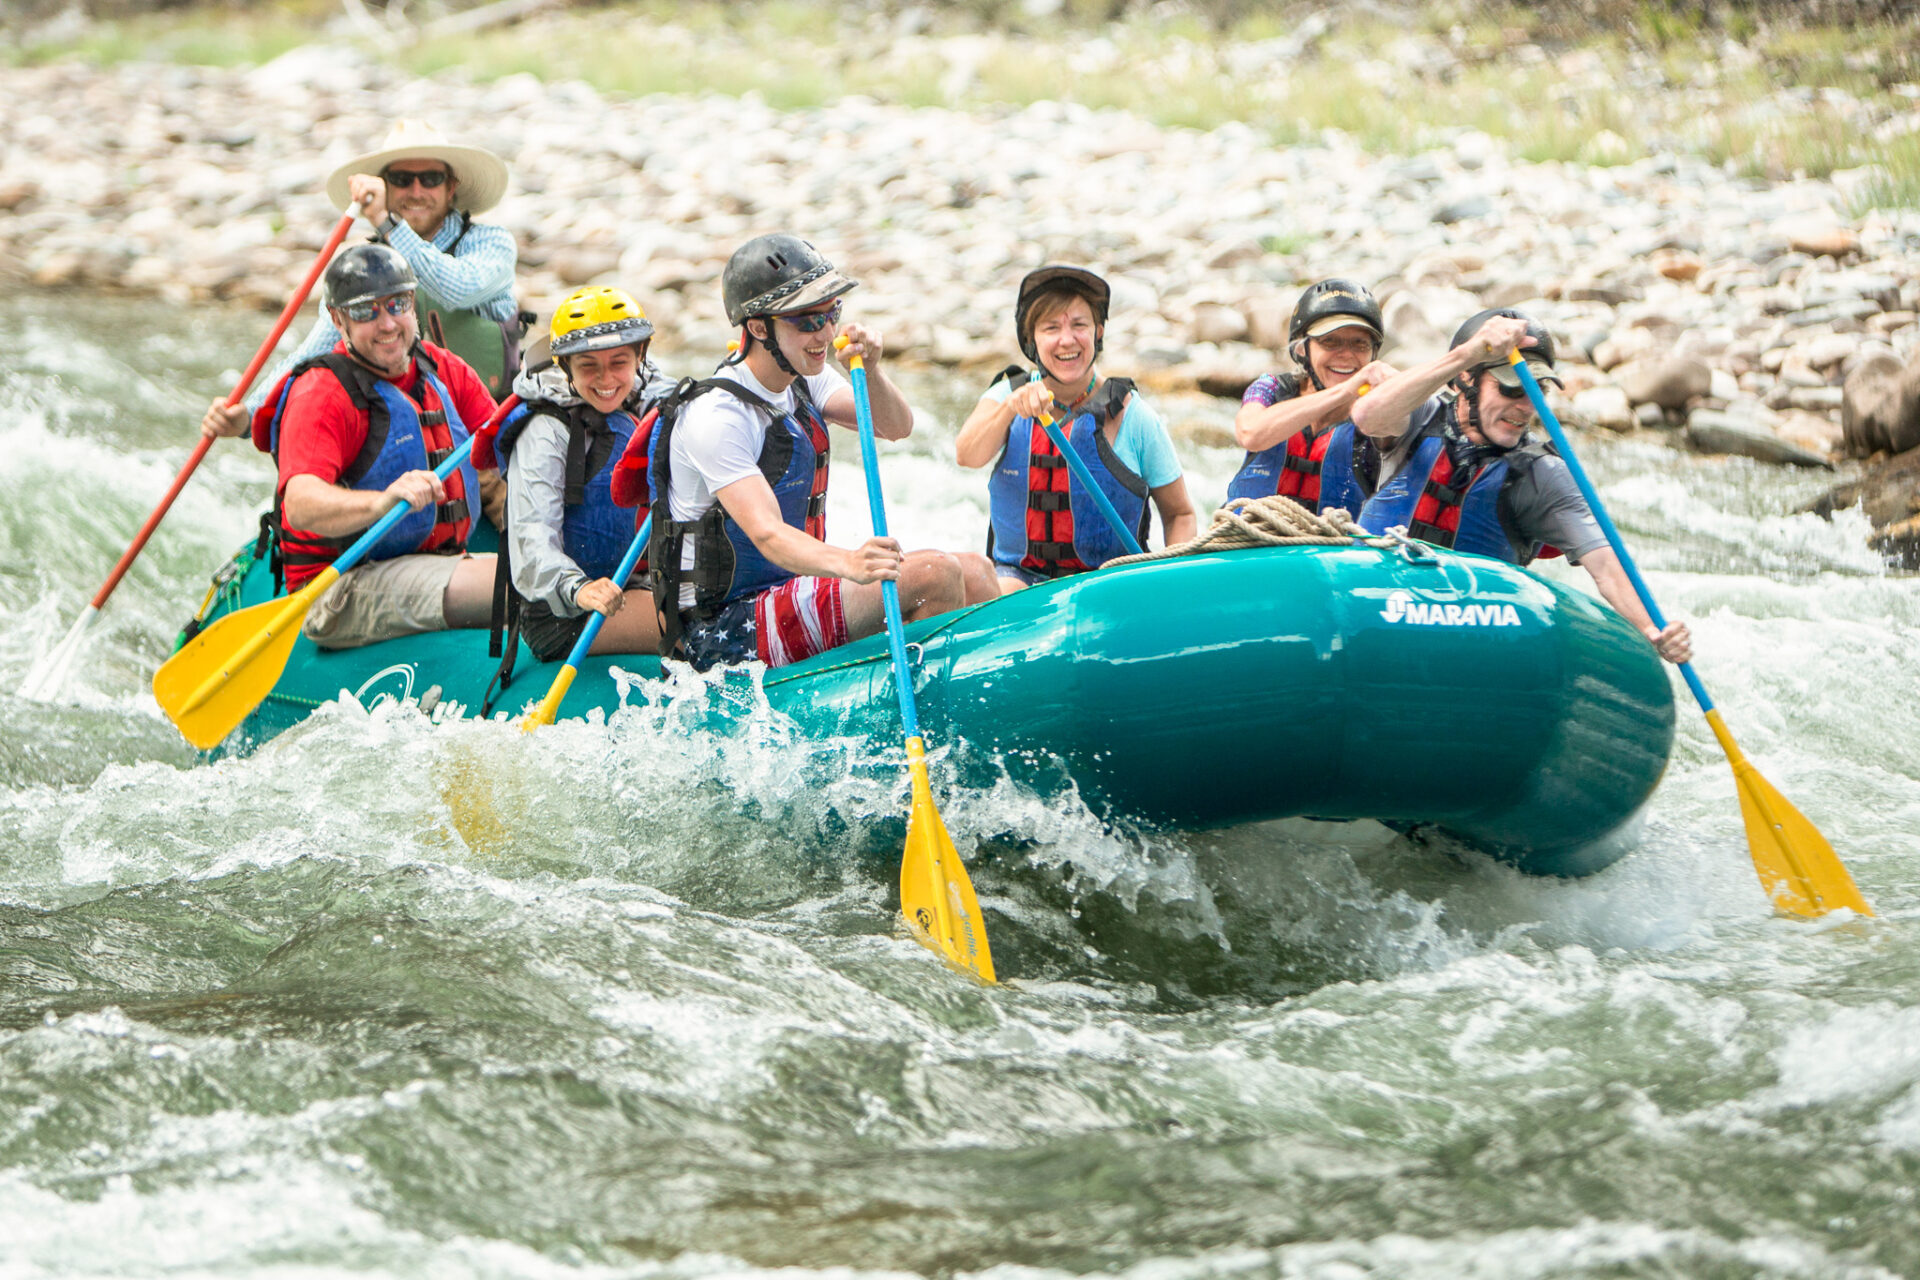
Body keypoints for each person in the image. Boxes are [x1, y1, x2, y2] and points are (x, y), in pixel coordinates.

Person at [647, 234, 999, 671]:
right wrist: (849, 563)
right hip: (723, 627)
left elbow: (894, 427)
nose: (827, 333)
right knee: (932, 575)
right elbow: (767, 534)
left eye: (831, 313)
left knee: (977, 572)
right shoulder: (718, 416)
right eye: (806, 320)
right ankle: (932, 711)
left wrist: (870, 370)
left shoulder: (803, 378)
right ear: (758, 327)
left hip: (787, 592)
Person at [203, 121, 523, 523]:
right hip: (393, 433)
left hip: (481, 440)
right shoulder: (366, 268)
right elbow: (315, 352)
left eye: (430, 178)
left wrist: (390, 226)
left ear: (451, 186)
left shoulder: (491, 243)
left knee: (518, 527)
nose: (417, 191)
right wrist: (250, 415)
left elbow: (454, 287)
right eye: (402, 180)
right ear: (386, 186)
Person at [1350, 308, 1692, 663]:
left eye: (1537, 389)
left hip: (1467, 634)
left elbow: (1606, 565)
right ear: (1466, 379)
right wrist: (1469, 352)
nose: (1526, 405)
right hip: (1371, 599)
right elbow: (1367, 415)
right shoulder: (1418, 418)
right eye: (1512, 386)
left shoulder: (1542, 474)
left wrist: (1652, 631)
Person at [245, 243, 497, 649]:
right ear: (338, 319)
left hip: (435, 562)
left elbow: (507, 449)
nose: (387, 324)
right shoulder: (322, 393)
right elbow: (302, 504)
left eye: (398, 304)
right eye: (366, 311)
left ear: (413, 304)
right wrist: (382, 502)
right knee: (512, 583)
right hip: (338, 586)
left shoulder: (443, 368)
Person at [954, 265, 1197, 591]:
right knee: (999, 587)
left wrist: (1172, 583)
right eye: (1051, 327)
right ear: (1032, 339)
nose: (1066, 340)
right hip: (1019, 581)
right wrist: (1010, 408)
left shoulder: (1134, 416)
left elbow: (1180, 514)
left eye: (1079, 325)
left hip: (1109, 582)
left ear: (1097, 332)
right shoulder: (1005, 395)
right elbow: (967, 455)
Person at [485, 285, 666, 664]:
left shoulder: (651, 396)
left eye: (619, 362)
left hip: (637, 586)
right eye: (588, 365)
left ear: (640, 358)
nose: (606, 378)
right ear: (564, 366)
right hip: (564, 611)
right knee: (691, 627)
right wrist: (579, 589)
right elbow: (532, 540)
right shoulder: (544, 430)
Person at [1227, 279, 1398, 516]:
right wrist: (1347, 390)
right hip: (1251, 540)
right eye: (1330, 341)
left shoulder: (1376, 411)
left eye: (1360, 344)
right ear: (1303, 349)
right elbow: (1251, 434)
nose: (1346, 355)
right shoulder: (1271, 388)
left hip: (1332, 547)